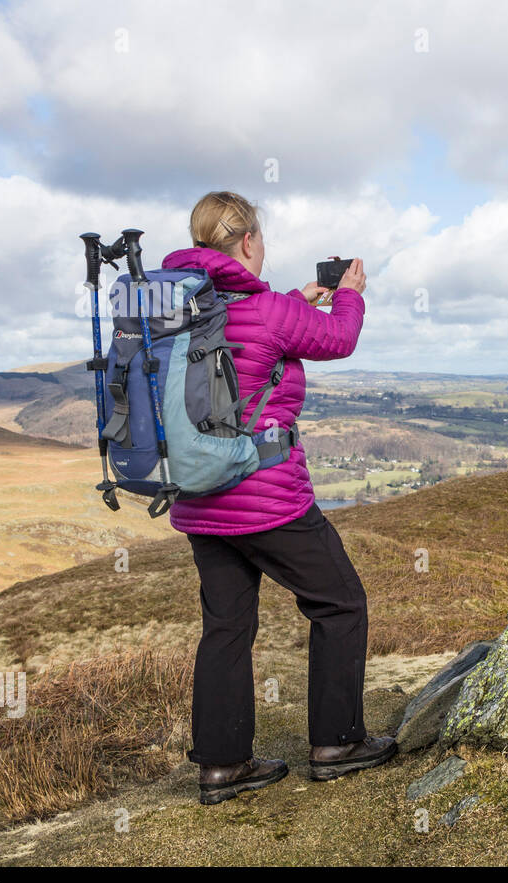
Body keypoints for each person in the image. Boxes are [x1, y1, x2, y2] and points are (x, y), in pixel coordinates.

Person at [162, 190, 395, 805]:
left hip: (198, 498)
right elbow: (338, 339)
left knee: (226, 627)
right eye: (260, 239)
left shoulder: (182, 306)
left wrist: (296, 298)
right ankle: (338, 743)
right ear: (246, 242)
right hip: (266, 497)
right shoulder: (264, 310)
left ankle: (222, 766)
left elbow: (249, 333)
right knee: (340, 602)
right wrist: (349, 293)